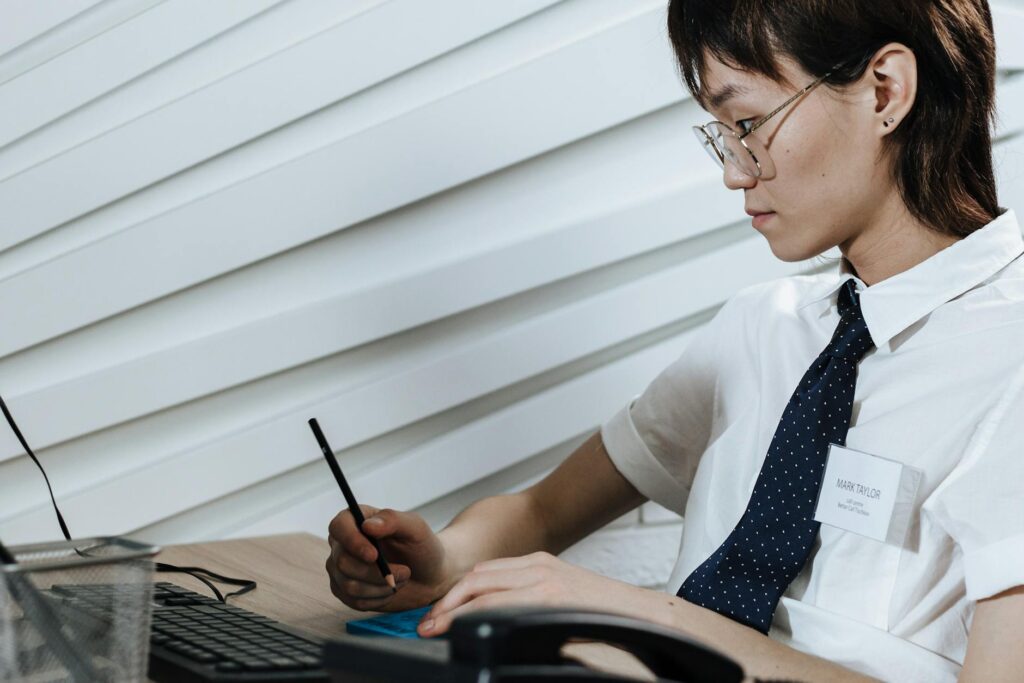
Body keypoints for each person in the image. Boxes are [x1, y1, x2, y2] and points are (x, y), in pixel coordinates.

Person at [326, 1, 1024, 680]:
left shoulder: (1010, 363)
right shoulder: (762, 327)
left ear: (885, 91)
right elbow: (540, 511)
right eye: (722, 134)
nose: (734, 171)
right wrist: (441, 562)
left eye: (748, 123)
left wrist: (645, 615)